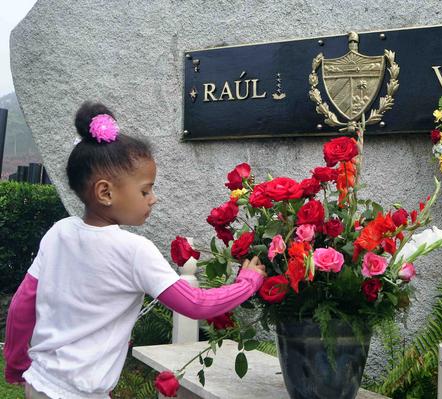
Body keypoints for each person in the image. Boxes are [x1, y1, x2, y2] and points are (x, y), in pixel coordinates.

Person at [3, 102, 266, 399]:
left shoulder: (59, 233)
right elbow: (195, 304)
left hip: (39, 382)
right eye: (145, 190)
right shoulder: (134, 251)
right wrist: (248, 282)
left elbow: (21, 305)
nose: (153, 199)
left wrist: (16, 363)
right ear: (105, 193)